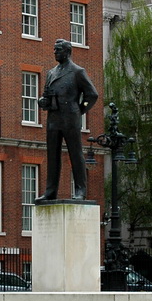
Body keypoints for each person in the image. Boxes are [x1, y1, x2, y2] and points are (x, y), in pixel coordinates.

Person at [36, 39, 98, 201]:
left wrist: (80, 110)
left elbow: (92, 94)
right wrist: (43, 101)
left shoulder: (77, 71)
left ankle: (80, 191)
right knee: (52, 155)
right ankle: (50, 191)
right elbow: (46, 95)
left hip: (70, 118)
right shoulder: (51, 73)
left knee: (75, 154)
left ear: (67, 52)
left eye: (58, 50)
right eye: (54, 50)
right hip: (54, 119)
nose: (55, 52)